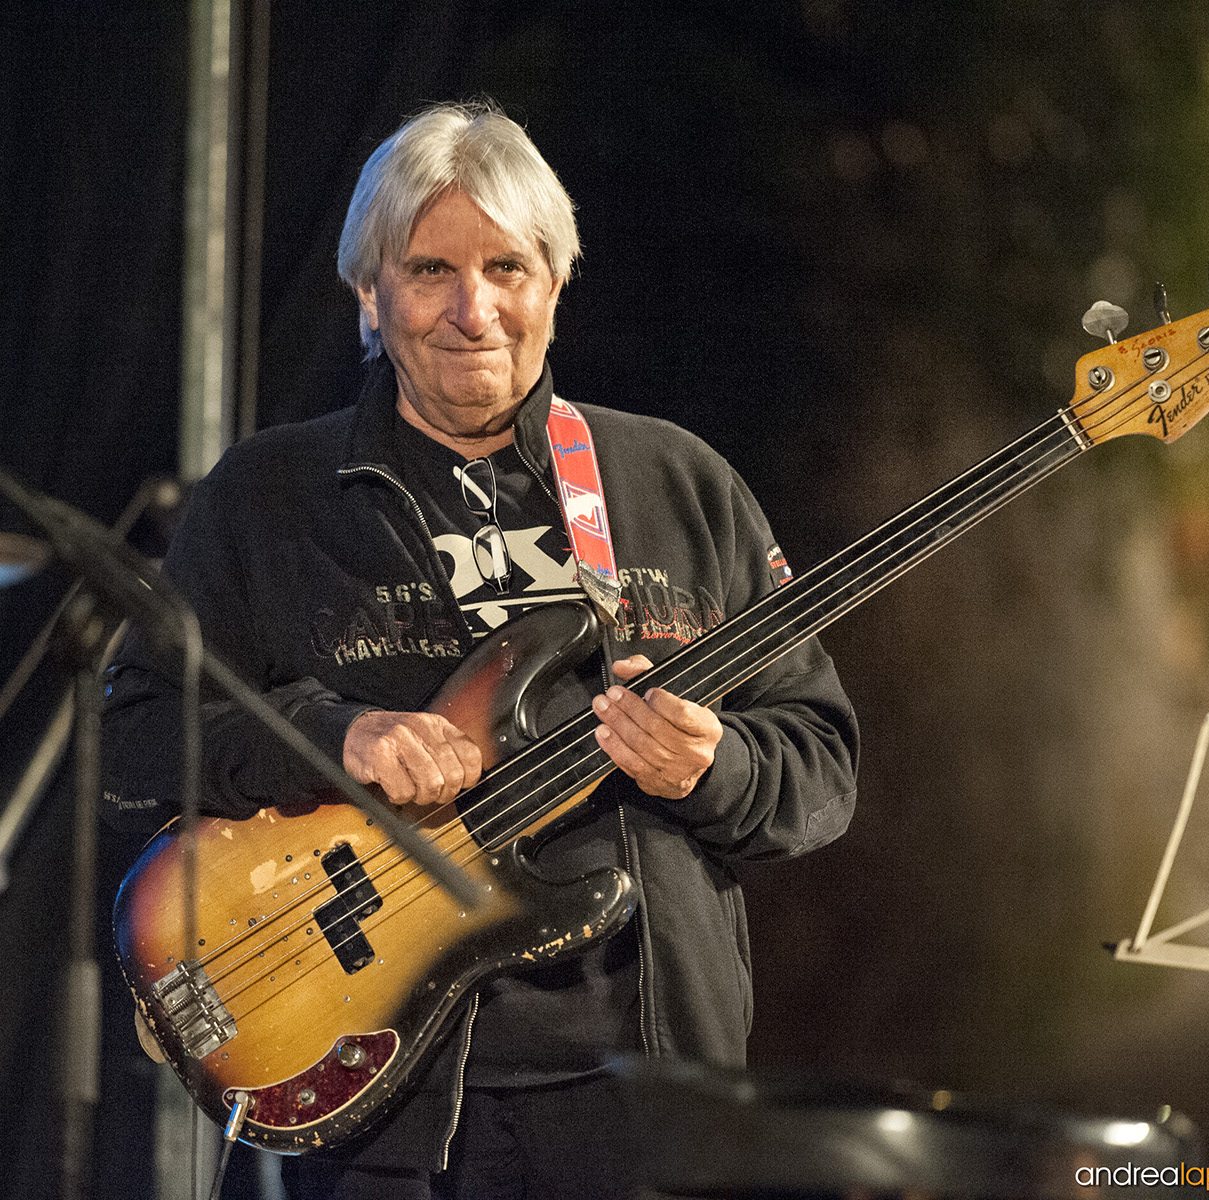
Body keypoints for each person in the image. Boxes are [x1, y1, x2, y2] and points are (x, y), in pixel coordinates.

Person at [102, 101, 858, 1199]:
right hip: (382, 1113)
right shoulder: (269, 499)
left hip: (649, 1106)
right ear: (370, 294)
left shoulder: (677, 482)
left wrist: (714, 766)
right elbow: (135, 738)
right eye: (430, 271)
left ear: (555, 284)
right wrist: (331, 735)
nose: (475, 310)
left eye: (508, 267)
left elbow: (822, 767)